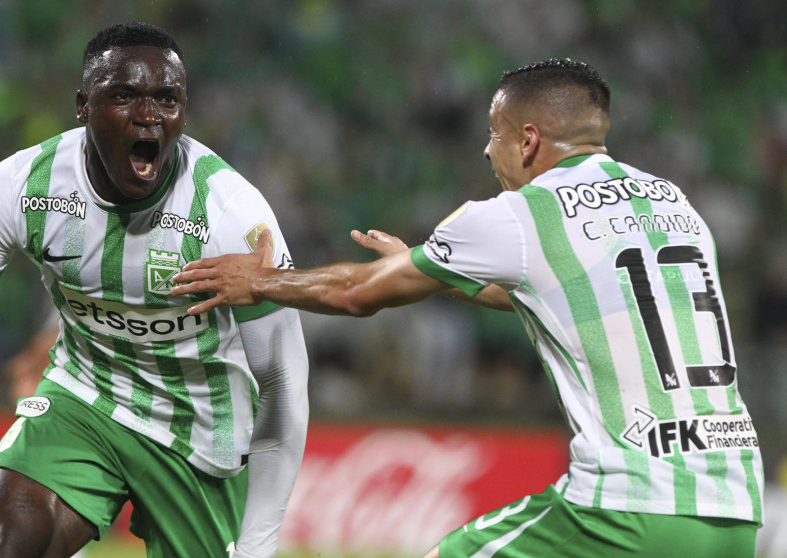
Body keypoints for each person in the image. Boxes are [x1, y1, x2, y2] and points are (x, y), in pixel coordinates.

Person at [171, 58, 765, 557]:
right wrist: (436, 274)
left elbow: (356, 293)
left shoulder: (522, 212)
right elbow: (557, 297)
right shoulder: (673, 203)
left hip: (627, 507)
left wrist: (264, 281)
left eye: (494, 133)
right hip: (736, 505)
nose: (486, 150)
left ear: (528, 140)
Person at [0, 21, 310, 558]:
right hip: (86, 397)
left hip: (201, 433)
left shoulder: (234, 216)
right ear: (84, 106)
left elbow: (282, 379)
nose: (149, 116)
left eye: (167, 99)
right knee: (5, 546)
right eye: (125, 96)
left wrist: (256, 546)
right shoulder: (23, 188)